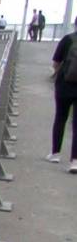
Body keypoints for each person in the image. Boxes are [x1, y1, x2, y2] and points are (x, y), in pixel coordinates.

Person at [49, 17, 77, 173]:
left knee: (60, 118)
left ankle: (55, 154)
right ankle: (75, 161)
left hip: (64, 86)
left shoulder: (67, 40)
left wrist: (58, 72)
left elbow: (56, 63)